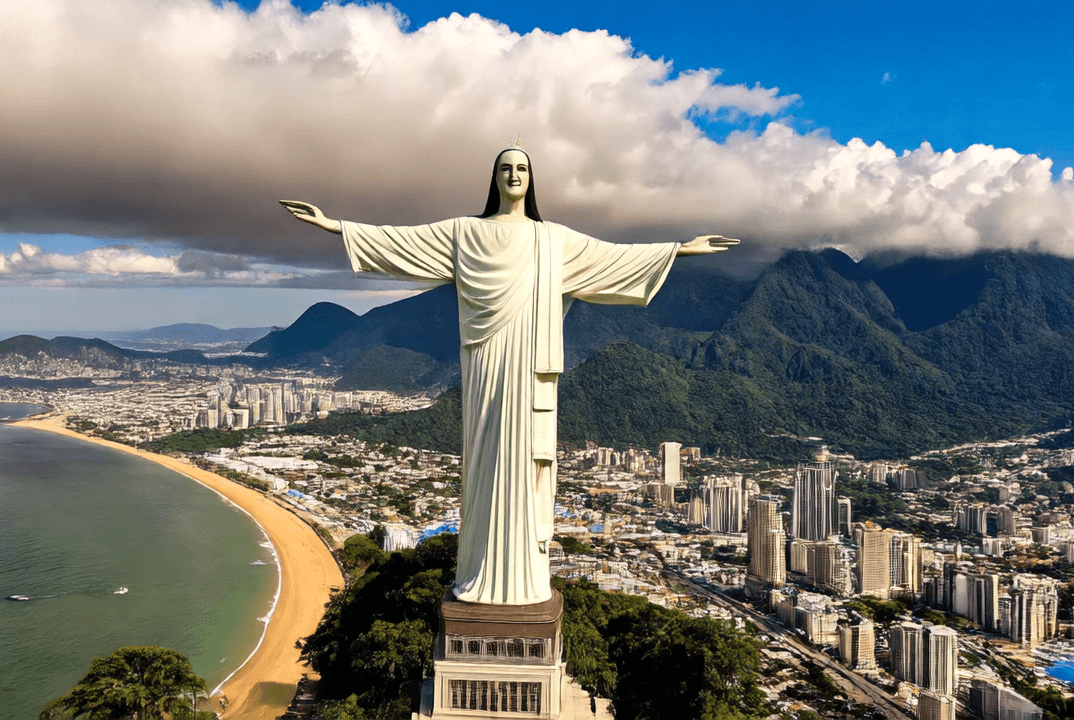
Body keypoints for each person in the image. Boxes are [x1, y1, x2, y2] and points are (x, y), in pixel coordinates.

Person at [282, 146, 736, 605]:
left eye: (522, 168)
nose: (514, 174)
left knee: (526, 462)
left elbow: (613, 258)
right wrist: (333, 225)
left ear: (531, 178)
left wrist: (682, 248)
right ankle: (480, 570)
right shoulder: (465, 232)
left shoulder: (552, 239)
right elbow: (403, 241)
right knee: (486, 460)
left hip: (530, 367)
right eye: (506, 168)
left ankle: (525, 580)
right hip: (485, 367)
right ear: (494, 177)